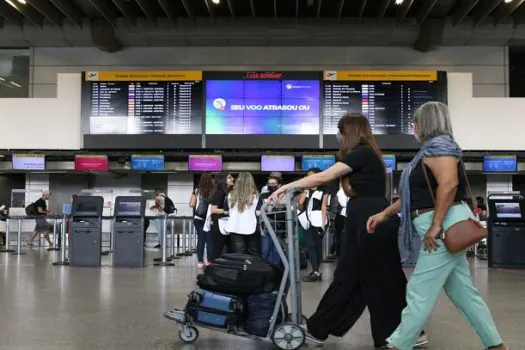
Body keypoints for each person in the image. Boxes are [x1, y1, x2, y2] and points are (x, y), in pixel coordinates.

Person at [269, 114, 427, 348]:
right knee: (355, 278)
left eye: (340, 131)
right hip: (364, 219)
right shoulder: (366, 154)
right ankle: (319, 328)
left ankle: (408, 332)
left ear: (350, 132)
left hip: (370, 220)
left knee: (381, 279)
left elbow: (324, 176)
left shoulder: (362, 152)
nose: (338, 136)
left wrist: (287, 186)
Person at [367, 102, 508, 350]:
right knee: (464, 294)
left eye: (415, 122)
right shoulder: (430, 150)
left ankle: (398, 344)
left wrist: (435, 226)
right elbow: (416, 197)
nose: (413, 127)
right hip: (444, 227)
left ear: (426, 123)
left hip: (442, 230)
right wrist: (384, 214)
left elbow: (449, 185)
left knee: (419, 291)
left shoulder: (440, 147)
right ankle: (496, 345)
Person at [299, 168, 330, 282]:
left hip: (318, 220)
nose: (309, 177)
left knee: (317, 246)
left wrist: (322, 225)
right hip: (306, 219)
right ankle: (315, 271)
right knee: (310, 245)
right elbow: (300, 204)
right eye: (308, 176)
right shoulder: (306, 190)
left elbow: (324, 207)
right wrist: (304, 192)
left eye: (311, 175)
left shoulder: (325, 189)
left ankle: (316, 271)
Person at [226, 172, 260, 255]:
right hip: (251, 227)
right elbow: (256, 211)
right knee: (253, 253)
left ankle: (240, 268)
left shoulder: (231, 195)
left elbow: (230, 210)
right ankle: (251, 268)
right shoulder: (255, 195)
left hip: (235, 227)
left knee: (238, 254)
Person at [257, 175, 285, 265]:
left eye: (274, 183)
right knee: (265, 250)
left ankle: (274, 271)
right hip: (265, 227)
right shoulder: (263, 196)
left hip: (279, 227)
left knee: (276, 251)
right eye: (269, 183)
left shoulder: (284, 196)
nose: (271, 185)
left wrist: (268, 208)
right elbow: (258, 211)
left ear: (279, 185)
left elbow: (283, 212)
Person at [189, 173, 215, 269]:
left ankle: (200, 262)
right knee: (209, 240)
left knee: (201, 239)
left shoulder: (197, 190)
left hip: (198, 218)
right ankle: (209, 261)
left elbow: (191, 204)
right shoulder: (214, 190)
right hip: (209, 218)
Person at [209, 173, 235, 260]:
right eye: (229, 178)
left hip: (224, 223)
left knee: (225, 248)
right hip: (219, 223)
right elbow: (213, 209)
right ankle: (213, 268)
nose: (232, 179)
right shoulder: (220, 193)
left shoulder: (227, 192)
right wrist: (227, 212)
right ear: (223, 180)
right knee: (218, 249)